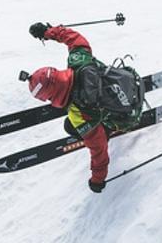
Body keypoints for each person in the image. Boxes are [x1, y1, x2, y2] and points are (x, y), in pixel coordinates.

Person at [25, 21, 143, 193]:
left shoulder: (78, 115)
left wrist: (98, 179)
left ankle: (109, 128)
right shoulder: (78, 60)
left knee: (70, 126)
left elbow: (98, 149)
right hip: (130, 79)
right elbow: (73, 38)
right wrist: (48, 32)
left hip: (129, 116)